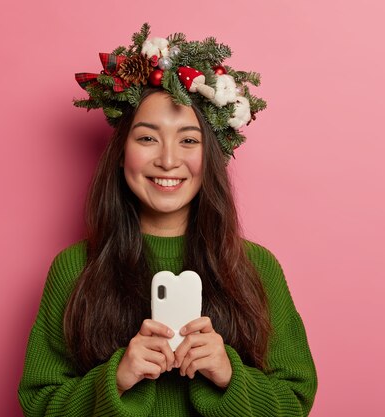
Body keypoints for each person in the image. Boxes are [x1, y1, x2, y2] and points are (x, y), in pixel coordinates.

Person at [18, 24, 317, 416]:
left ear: (210, 158)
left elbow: (295, 400)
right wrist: (117, 378)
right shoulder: (74, 269)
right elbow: (39, 404)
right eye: (147, 138)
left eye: (188, 140)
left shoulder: (256, 267)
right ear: (122, 153)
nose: (169, 160)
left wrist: (230, 376)